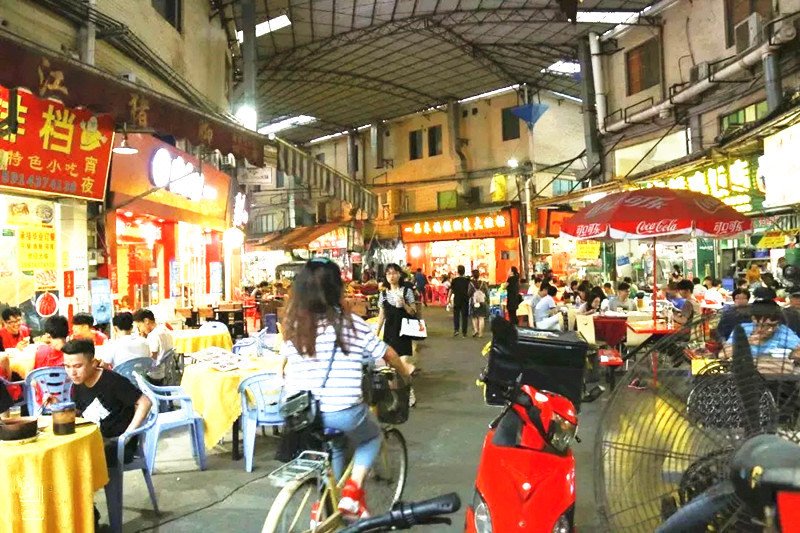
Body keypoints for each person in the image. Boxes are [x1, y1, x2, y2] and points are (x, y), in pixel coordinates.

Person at [280, 257, 410, 519]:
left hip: (300, 411)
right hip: (341, 409)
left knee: (338, 446)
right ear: (336, 289)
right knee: (372, 437)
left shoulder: (293, 324)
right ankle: (351, 494)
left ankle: (329, 505)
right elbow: (387, 354)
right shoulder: (352, 323)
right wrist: (404, 372)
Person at [64, 339, 153, 468]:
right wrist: (58, 406)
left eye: (78, 366)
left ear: (93, 363)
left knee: (76, 459)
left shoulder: (113, 381)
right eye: (67, 366)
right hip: (93, 439)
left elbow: (145, 402)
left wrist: (127, 435)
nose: (72, 372)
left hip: (117, 444)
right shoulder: (77, 385)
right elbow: (78, 413)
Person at [722, 299, 800, 371]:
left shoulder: (783, 331)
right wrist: (745, 342)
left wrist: (792, 354)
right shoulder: (743, 329)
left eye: (774, 325)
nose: (770, 330)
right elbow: (722, 355)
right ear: (754, 319)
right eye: (766, 325)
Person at [376, 263, 417, 368]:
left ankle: (406, 377)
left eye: (394, 273)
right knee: (390, 367)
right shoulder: (383, 295)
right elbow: (381, 315)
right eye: (388, 273)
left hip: (404, 334)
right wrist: (377, 333)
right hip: (389, 334)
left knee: (402, 365)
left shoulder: (407, 292)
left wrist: (404, 305)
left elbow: (413, 312)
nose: (391, 276)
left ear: (399, 275)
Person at [132, 308, 174, 385]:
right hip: (166, 372)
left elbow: (151, 358)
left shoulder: (153, 336)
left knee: (132, 373)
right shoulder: (164, 329)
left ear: (146, 321)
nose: (140, 330)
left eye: (139, 326)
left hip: (154, 376)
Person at [449, 265, 472, 337]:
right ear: (464, 271)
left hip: (457, 299)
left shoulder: (454, 280)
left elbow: (451, 290)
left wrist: (448, 298)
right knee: (464, 316)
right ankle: (464, 332)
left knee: (456, 315)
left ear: (458, 271)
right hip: (465, 299)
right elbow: (469, 290)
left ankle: (456, 330)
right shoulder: (467, 280)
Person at [469, 270, 490, 337]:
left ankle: (476, 330)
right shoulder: (483, 283)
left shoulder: (471, 283)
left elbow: (469, 293)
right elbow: (487, 292)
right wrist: (488, 300)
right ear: (479, 275)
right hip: (482, 301)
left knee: (474, 317)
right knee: (481, 318)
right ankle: (480, 333)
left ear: (473, 276)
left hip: (474, 302)